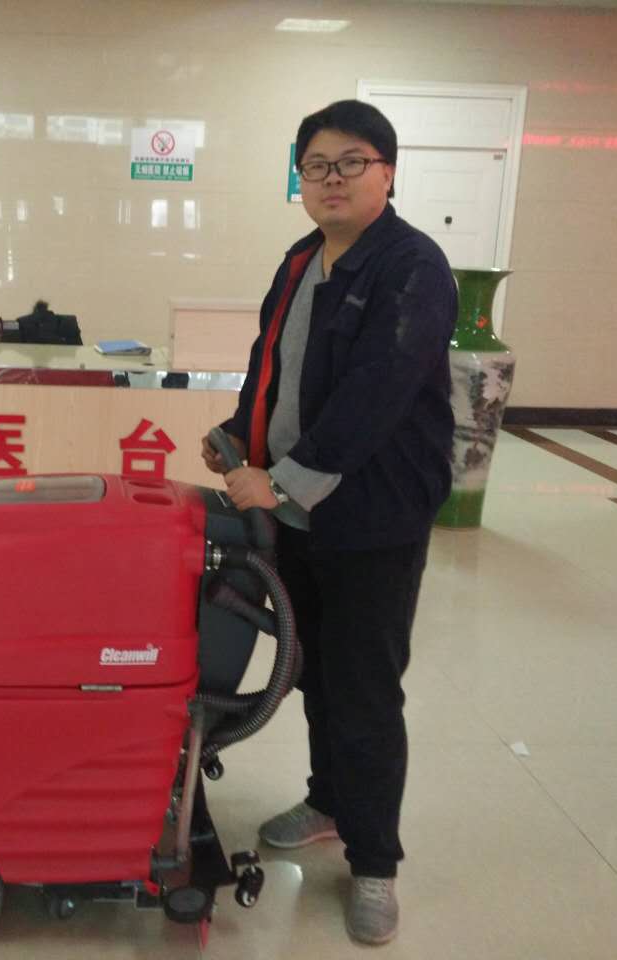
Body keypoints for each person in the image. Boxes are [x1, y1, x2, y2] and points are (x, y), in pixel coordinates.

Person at [200, 100, 456, 946]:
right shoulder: (302, 259)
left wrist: (279, 482)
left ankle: (375, 864)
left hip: (373, 516)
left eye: (351, 162)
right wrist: (241, 437)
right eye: (316, 165)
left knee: (365, 689)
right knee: (312, 670)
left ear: (388, 172)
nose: (332, 178)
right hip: (295, 514)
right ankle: (328, 803)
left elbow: (374, 394)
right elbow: (269, 368)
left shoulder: (412, 266)